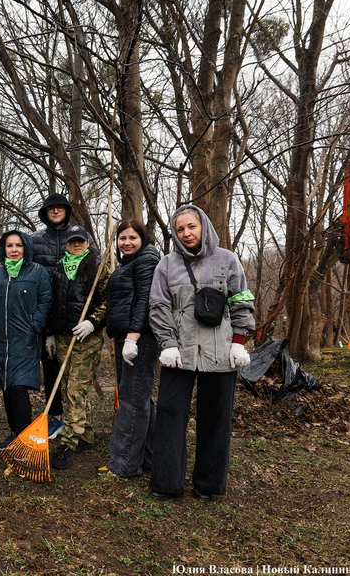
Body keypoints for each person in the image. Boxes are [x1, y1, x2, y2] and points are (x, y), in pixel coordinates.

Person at [148, 205, 255, 501]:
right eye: (180, 229)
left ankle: (209, 485)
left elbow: (242, 301)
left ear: (203, 226)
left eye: (191, 226)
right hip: (178, 355)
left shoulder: (227, 259)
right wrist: (167, 344)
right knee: (170, 416)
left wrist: (238, 341)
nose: (187, 233)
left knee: (216, 418)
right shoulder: (167, 264)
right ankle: (166, 483)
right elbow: (158, 306)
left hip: (221, 354)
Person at [32, 193, 99, 439]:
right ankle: (55, 417)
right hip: (49, 316)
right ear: (45, 212)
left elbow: (96, 272)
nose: (56, 211)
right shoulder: (35, 240)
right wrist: (46, 329)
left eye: (61, 207)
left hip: (78, 318)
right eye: (52, 208)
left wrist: (92, 319)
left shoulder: (83, 236)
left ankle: (77, 423)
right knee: (50, 367)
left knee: (75, 379)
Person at [97, 219, 161, 478]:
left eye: (132, 237)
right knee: (140, 397)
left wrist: (133, 338)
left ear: (142, 238)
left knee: (131, 400)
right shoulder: (130, 263)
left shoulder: (147, 261)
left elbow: (146, 300)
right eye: (122, 238)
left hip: (138, 338)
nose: (126, 242)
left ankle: (123, 463)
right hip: (127, 336)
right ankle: (149, 456)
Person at [47, 226, 108, 470]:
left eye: (80, 241)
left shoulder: (98, 267)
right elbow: (52, 301)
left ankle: (68, 442)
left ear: (88, 243)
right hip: (63, 336)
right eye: (72, 242)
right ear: (66, 245)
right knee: (72, 387)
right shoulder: (58, 269)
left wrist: (93, 322)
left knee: (75, 389)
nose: (76, 245)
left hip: (87, 338)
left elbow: (109, 301)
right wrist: (50, 333)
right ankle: (86, 435)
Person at [0, 230, 52, 449]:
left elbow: (45, 300)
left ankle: (24, 435)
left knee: (18, 386)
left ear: (26, 248)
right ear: (2, 249)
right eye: (9, 246)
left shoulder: (38, 272)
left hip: (25, 340)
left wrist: (36, 325)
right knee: (6, 386)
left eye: (18, 245)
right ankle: (14, 432)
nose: (14, 250)